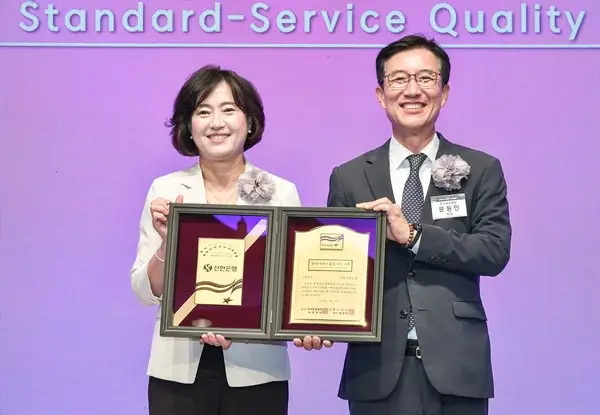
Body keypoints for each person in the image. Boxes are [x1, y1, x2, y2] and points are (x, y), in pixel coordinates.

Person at [293, 34, 512, 415]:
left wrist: (413, 235)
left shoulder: (480, 168)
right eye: (399, 79)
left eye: (426, 78)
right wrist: (318, 321)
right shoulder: (349, 176)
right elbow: (338, 268)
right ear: (381, 95)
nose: (413, 91)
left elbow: (493, 251)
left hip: (457, 365)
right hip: (376, 369)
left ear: (444, 93)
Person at [130, 65, 301, 415]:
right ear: (188, 127)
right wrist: (168, 245)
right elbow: (144, 292)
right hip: (177, 370)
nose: (216, 123)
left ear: (249, 122)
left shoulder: (280, 193)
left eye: (228, 109)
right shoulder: (166, 190)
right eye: (203, 112)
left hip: (257, 370)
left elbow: (289, 290)